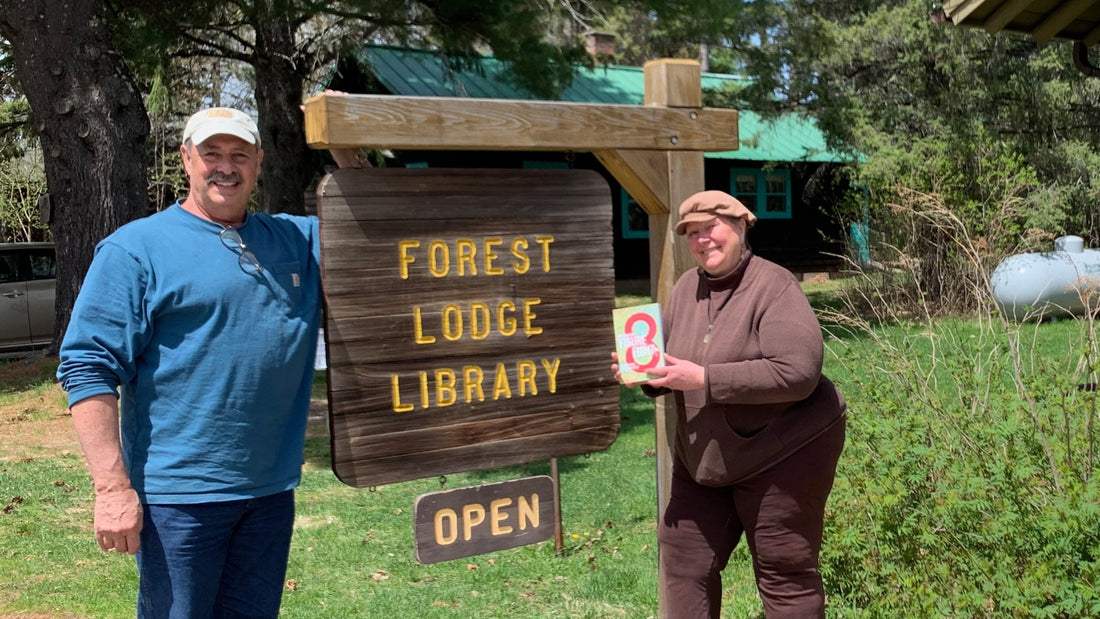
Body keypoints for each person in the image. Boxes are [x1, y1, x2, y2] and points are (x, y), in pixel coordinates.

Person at [57, 106, 322, 618]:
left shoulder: (295, 240)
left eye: (239, 155)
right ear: (186, 159)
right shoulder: (135, 249)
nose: (226, 167)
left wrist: (349, 137)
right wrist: (112, 488)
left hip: (269, 491)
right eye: (211, 154)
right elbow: (88, 366)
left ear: (259, 162)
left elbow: (370, 225)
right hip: (179, 498)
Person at [612, 190, 846, 618]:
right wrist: (646, 372)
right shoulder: (686, 288)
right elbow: (675, 359)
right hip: (706, 456)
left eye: (712, 228)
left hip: (785, 451)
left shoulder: (774, 286)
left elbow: (798, 370)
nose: (703, 240)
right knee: (682, 555)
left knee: (783, 570)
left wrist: (704, 379)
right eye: (693, 233)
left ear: (740, 227)